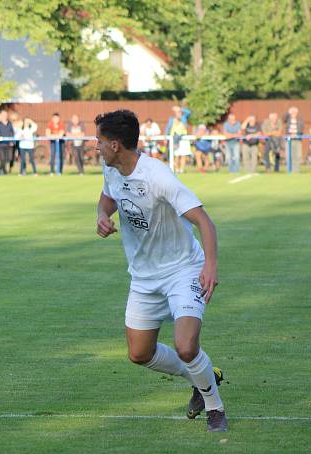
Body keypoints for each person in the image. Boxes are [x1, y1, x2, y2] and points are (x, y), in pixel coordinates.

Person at [94, 109, 227, 432]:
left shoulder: (158, 177)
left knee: (186, 345)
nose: (95, 146)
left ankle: (215, 410)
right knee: (139, 353)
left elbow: (204, 221)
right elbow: (107, 197)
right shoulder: (110, 169)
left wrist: (210, 265)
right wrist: (102, 215)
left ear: (115, 145)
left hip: (184, 269)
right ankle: (201, 378)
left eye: (99, 141)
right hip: (144, 276)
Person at [0, 110, 15, 175]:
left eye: (6, 115)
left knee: (9, 158)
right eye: (3, 115)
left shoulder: (10, 124)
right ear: (1, 116)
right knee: (2, 158)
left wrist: (12, 141)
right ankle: (4, 171)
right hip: (1, 144)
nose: (4, 116)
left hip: (9, 144)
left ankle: (0, 167)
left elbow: (12, 133)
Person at [284, 106, 304, 172]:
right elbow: (284, 118)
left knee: (297, 155)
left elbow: (301, 128)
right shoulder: (287, 119)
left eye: (295, 112)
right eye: (292, 112)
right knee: (289, 155)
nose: (293, 114)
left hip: (297, 139)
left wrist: (296, 134)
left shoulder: (300, 119)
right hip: (289, 140)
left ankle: (296, 170)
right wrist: (288, 112)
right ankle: (289, 170)